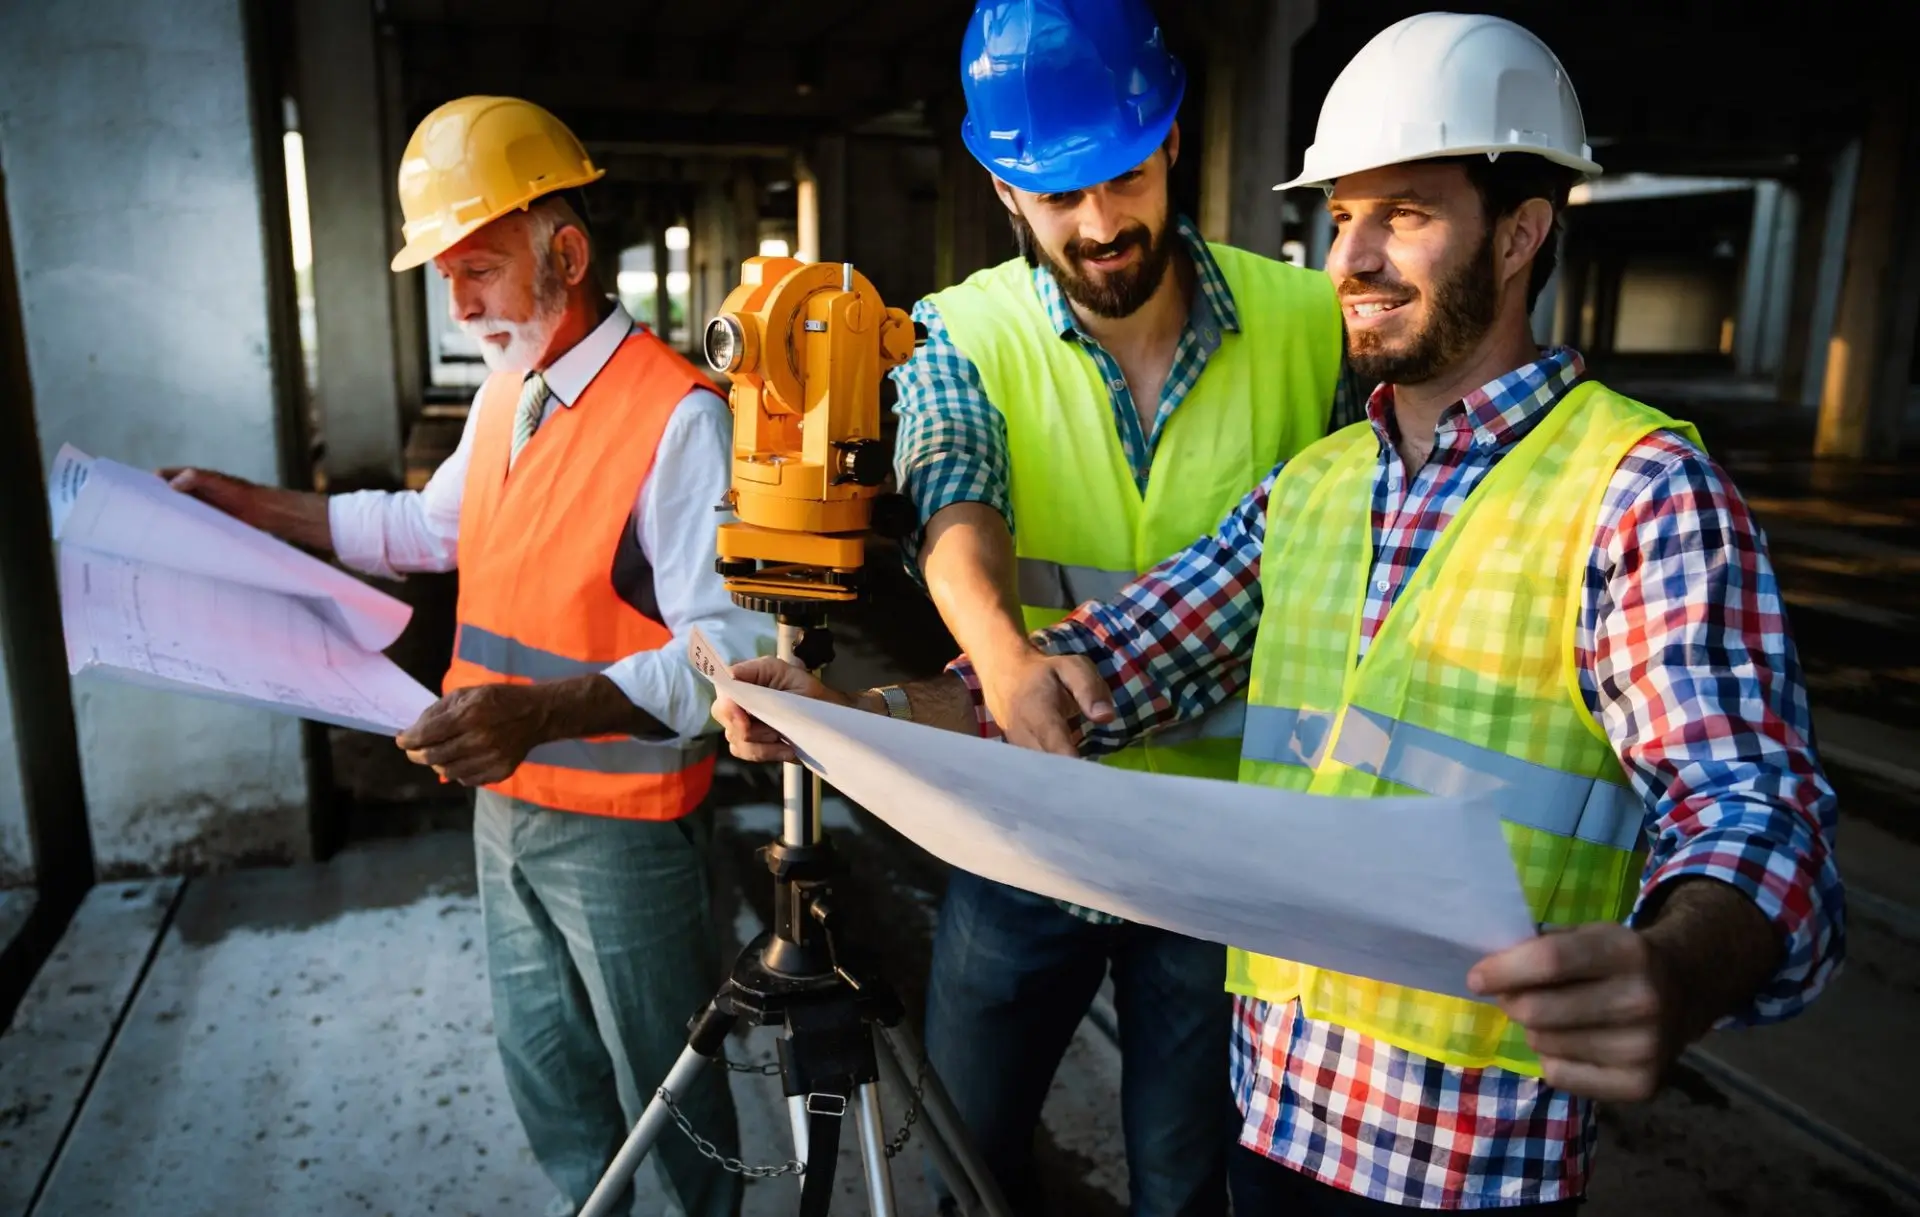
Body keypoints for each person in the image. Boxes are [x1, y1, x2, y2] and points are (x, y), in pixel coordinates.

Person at [712, 14, 1845, 1214]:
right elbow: (1105, 661)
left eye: (1405, 213)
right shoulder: (1315, 487)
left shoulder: (1638, 491)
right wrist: (858, 718)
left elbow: (1756, 812)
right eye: (1343, 215)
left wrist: (1677, 965)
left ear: (1521, 233)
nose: (1352, 258)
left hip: (1458, 1154)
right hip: (1280, 1108)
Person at [163, 96, 763, 1217]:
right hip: (503, 813)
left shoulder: (676, 418)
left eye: (476, 266)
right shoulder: (505, 397)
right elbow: (422, 530)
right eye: (444, 274)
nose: (459, 300)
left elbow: (726, 651)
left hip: (627, 834)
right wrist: (240, 503)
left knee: (669, 1094)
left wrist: (540, 711)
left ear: (567, 253)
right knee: (551, 1077)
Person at [885, 0, 1356, 1210]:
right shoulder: (959, 333)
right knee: (964, 1161)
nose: (1101, 225)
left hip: (1220, 857)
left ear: (1174, 138)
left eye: (1125, 176)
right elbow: (951, 481)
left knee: (1188, 1187)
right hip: (1024, 832)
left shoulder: (1316, 327)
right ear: (1002, 189)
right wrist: (997, 653)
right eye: (1058, 197)